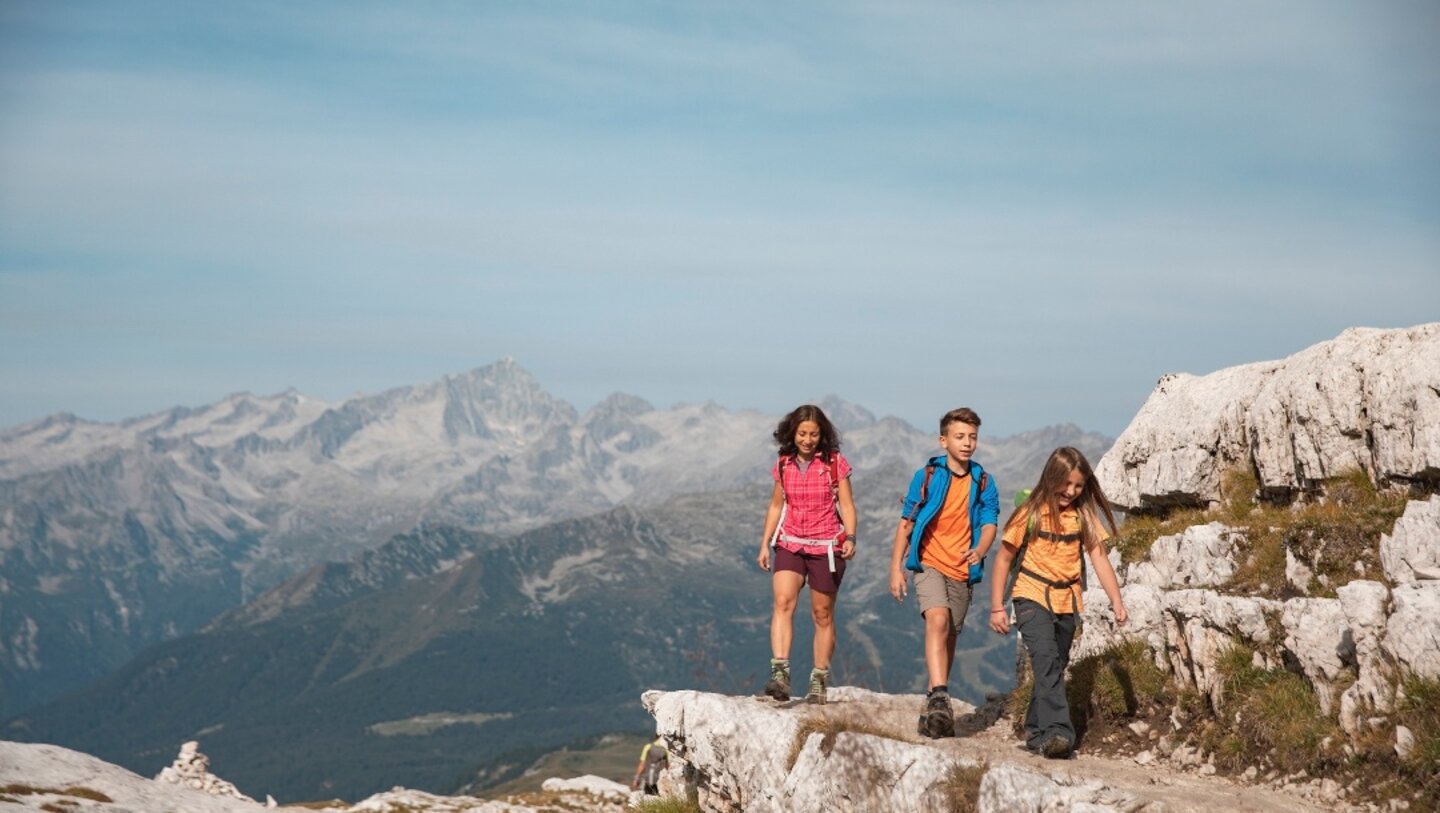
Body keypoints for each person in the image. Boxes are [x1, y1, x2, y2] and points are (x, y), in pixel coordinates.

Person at [988, 446, 1129, 759]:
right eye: (1066, 484)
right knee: (1047, 660)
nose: (1071, 491)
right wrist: (997, 606)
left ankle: (1036, 731)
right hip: (1030, 594)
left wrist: (1116, 601)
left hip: (1067, 600)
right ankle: (1059, 734)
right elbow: (1003, 559)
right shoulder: (1030, 512)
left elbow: (1099, 558)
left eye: (1078, 486)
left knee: (1055, 664)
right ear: (1051, 477)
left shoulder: (1083, 515)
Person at [889, 407, 1000, 738]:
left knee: (949, 634)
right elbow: (906, 523)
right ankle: (940, 695)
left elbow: (990, 522)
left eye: (972, 437)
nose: (967, 443)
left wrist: (980, 551)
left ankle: (933, 707)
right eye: (960, 437)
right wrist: (896, 568)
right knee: (937, 621)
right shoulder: (927, 476)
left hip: (963, 569)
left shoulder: (983, 481)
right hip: (928, 562)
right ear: (943, 440)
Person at [756, 404, 857, 704]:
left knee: (822, 614)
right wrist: (765, 543)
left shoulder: (835, 463)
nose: (808, 440)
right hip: (790, 542)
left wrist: (850, 536)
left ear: (822, 435)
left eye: (814, 434)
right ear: (793, 433)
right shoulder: (784, 463)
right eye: (802, 433)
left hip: (826, 547)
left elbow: (848, 505)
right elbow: (776, 505)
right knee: (783, 602)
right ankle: (780, 674)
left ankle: (819, 679)